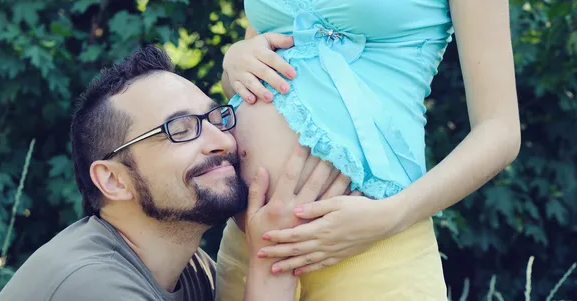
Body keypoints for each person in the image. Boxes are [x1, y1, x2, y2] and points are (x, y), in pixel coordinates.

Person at [217, 0, 521, 300]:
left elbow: (500, 130)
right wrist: (233, 63)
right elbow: (248, 83)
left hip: (372, 248)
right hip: (252, 247)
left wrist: (391, 215)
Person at [0, 45, 349, 301]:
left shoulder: (191, 269)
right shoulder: (90, 283)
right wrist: (273, 263)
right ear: (114, 180)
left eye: (215, 117)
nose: (220, 140)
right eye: (179, 129)